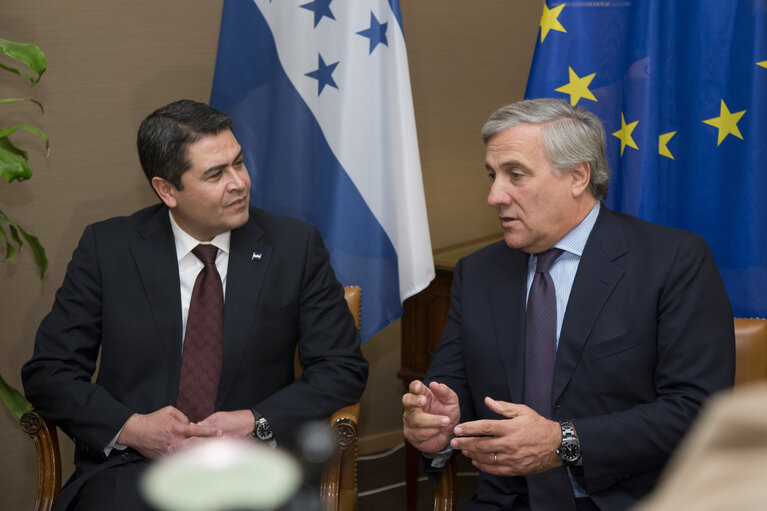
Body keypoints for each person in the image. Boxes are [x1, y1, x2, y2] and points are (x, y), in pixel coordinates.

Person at [22, 99, 368, 511]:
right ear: (167, 190)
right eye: (216, 174)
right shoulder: (108, 249)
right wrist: (132, 428)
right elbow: (49, 372)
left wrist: (255, 421)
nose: (239, 182)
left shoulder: (294, 248)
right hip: (135, 466)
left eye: (239, 163)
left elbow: (341, 368)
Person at [402, 98, 734, 511]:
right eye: (492, 175)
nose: (494, 195)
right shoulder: (478, 273)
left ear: (577, 176)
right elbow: (451, 390)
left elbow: (697, 411)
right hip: (506, 501)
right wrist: (436, 428)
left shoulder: (671, 260)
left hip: (629, 500)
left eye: (515, 175)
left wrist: (564, 442)